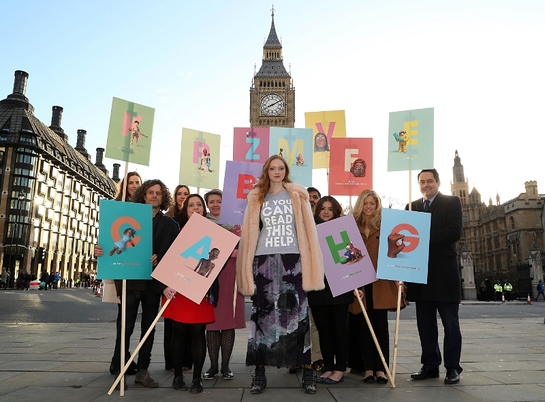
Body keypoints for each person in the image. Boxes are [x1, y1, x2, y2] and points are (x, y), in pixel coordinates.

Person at [236, 155, 325, 395]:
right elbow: (249, 234)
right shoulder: (256, 197)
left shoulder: (298, 194)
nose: (277, 172)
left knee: (299, 316)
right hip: (264, 260)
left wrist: (311, 263)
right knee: (262, 317)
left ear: (286, 171)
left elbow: (308, 231)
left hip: (293, 260)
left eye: (281, 168)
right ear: (266, 171)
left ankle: (308, 373)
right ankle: (259, 374)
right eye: (272, 168)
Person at [97, 179, 179, 390]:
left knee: (148, 328)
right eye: (150, 192)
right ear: (143, 195)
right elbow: (115, 242)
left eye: (158, 193)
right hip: (131, 279)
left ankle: (143, 370)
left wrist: (159, 258)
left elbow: (174, 255)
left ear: (163, 197)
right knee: (126, 325)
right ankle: (120, 365)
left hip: (154, 283)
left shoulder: (170, 225)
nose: (154, 196)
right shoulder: (130, 219)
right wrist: (100, 250)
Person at [406, 169, 463, 385]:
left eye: (430, 181)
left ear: (438, 182)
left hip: (445, 274)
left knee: (451, 325)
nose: (426, 185)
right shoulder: (411, 206)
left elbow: (454, 231)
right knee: (425, 325)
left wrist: (420, 235)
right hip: (420, 275)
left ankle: (452, 368)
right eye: (422, 182)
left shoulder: (452, 202)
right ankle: (430, 365)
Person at [162, 193, 215, 394]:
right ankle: (177, 377)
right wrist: (164, 285)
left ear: (204, 209)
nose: (195, 208)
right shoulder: (175, 230)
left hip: (201, 290)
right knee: (179, 333)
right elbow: (165, 259)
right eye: (191, 205)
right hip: (178, 290)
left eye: (199, 205)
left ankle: (196, 379)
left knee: (198, 334)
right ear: (185, 210)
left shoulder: (214, 233)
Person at [350, 190, 399, 384]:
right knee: (363, 326)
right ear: (360, 205)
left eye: (372, 203)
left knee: (380, 325)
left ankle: (381, 368)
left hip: (380, 282)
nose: (369, 206)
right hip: (360, 281)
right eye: (365, 203)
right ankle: (368, 368)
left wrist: (398, 278)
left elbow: (393, 253)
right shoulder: (351, 226)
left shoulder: (385, 226)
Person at [308, 196, 352, 385]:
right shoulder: (309, 231)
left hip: (340, 287)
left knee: (339, 329)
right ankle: (328, 367)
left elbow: (352, 256)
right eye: (323, 208)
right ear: (317, 211)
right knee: (324, 329)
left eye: (330, 209)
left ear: (336, 211)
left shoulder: (344, 229)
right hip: (318, 287)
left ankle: (340, 368)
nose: (326, 212)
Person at [202, 189, 245, 381]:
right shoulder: (202, 225)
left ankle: (226, 366)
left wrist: (229, 252)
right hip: (209, 276)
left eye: (219, 201)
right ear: (207, 205)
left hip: (231, 276)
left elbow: (244, 249)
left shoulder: (238, 225)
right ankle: (212, 366)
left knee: (228, 323)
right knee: (212, 323)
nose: (215, 204)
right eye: (211, 201)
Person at [163, 184, 190, 372]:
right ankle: (171, 362)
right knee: (171, 323)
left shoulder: (194, 219)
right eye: (179, 194)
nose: (182, 196)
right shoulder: (169, 219)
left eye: (186, 194)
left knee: (188, 323)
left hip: (190, 275)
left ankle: (187, 361)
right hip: (173, 273)